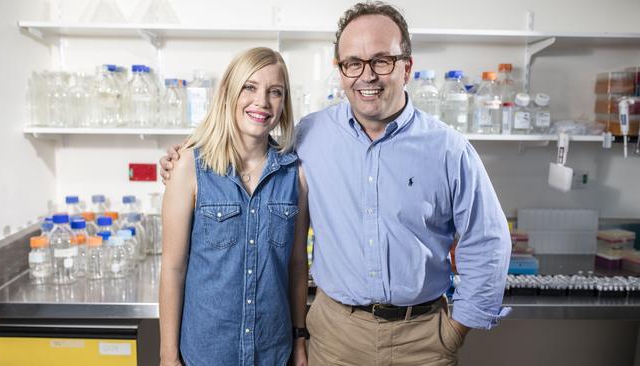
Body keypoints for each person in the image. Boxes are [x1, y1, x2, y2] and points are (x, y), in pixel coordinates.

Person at [161, 2, 511, 365]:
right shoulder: (310, 137)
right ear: (340, 71)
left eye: (382, 60)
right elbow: (247, 139)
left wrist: (456, 328)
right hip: (336, 339)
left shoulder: (448, 149)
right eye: (353, 63)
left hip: (421, 339)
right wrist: (183, 157)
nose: (367, 76)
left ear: (407, 67)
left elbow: (487, 240)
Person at [159, 47, 309, 366]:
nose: (262, 102)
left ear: (284, 104)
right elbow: (173, 269)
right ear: (228, 93)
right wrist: (168, 355)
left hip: (273, 353)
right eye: (249, 88)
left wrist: (299, 341)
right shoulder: (188, 166)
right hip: (206, 353)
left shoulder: (295, 174)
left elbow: (297, 265)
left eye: (275, 92)